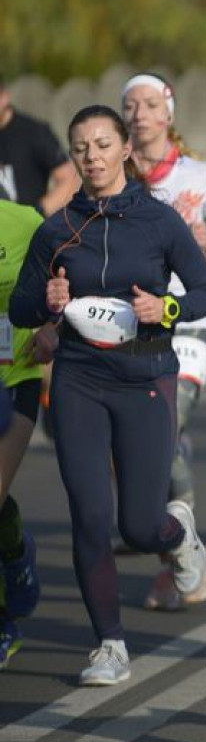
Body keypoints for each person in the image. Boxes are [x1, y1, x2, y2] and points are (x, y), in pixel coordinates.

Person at [10, 105, 206, 685]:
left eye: (103, 144)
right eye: (81, 148)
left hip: (146, 376)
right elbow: (19, 309)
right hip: (79, 378)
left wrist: (167, 308)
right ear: (73, 157)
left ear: (125, 148)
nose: (92, 156)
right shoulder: (56, 229)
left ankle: (177, 533)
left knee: (139, 525)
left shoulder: (158, 222)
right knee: (89, 515)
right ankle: (109, 644)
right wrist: (47, 305)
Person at [121, 72, 206, 609]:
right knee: (141, 442)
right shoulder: (112, 173)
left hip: (188, 318)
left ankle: (181, 557)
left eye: (149, 104)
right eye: (130, 106)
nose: (139, 113)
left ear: (168, 113)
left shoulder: (198, 175)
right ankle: (176, 545)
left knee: (165, 430)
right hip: (128, 320)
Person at [0, 199, 46, 669]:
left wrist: (51, 325)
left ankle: (2, 622)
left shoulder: (25, 221)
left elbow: (63, 285)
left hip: (14, 378)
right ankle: (14, 549)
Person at [0, 75, 78, 213]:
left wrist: (36, 214)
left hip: (26, 230)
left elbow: (71, 181)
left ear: (4, 97)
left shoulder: (34, 132)